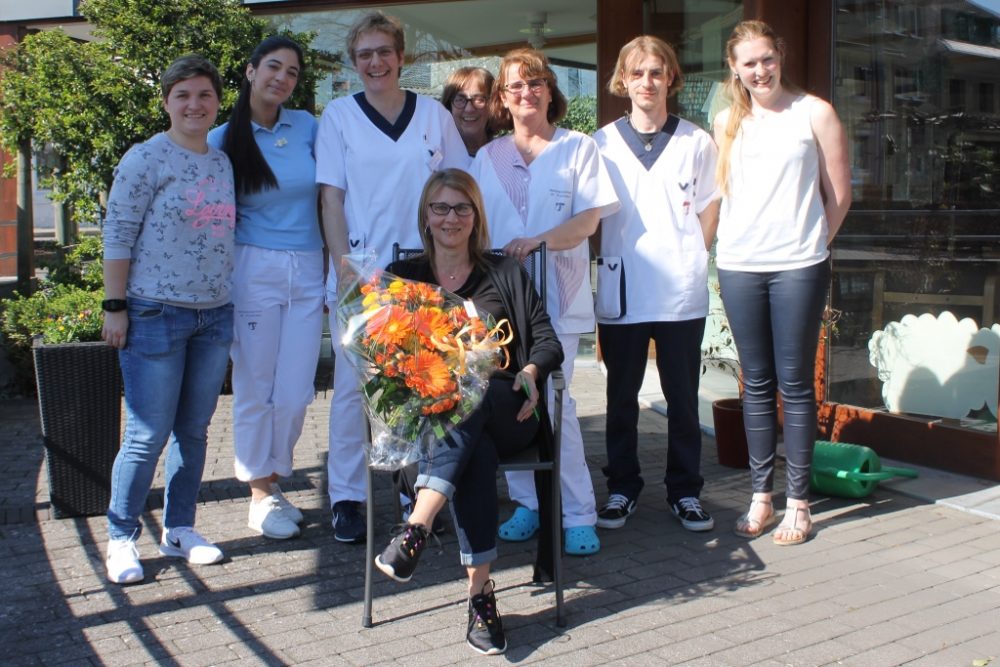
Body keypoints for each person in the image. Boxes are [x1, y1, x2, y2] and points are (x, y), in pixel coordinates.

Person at [375, 168, 563, 656]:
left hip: (506, 410)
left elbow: (546, 340)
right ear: (426, 215)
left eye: (462, 207)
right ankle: (480, 599)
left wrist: (531, 371)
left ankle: (416, 525)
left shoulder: (504, 273)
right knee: (469, 444)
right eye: (441, 207)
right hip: (435, 423)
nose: (451, 217)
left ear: (476, 216)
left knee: (471, 392)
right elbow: (382, 357)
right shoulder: (406, 279)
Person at [315, 10, 468, 543]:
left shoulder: (432, 116)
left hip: (426, 271)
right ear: (354, 62)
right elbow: (331, 197)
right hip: (364, 268)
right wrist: (342, 267)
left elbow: (456, 186)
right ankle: (347, 498)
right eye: (365, 54)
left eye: (384, 52)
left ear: (401, 57)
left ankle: (417, 493)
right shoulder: (338, 116)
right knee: (353, 388)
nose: (375, 62)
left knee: (422, 381)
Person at [469, 48, 619, 556]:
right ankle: (529, 506)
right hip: (498, 308)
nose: (526, 92)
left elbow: (589, 220)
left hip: (560, 296)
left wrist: (540, 240)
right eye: (514, 86)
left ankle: (577, 512)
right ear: (502, 98)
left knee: (555, 404)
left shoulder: (578, 148)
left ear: (550, 91)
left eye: (535, 83)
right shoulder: (486, 158)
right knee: (506, 401)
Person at [713, 20, 851, 545]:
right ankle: (760, 497)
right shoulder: (727, 121)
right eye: (749, 62)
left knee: (794, 384)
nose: (760, 70)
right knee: (755, 384)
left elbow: (839, 194)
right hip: (740, 264)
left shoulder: (814, 112)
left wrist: (810, 243)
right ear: (735, 68)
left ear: (781, 56)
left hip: (798, 265)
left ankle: (798, 503)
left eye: (766, 59)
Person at [101, 54, 236, 584]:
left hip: (214, 315)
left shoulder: (220, 161)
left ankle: (180, 528)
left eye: (204, 95)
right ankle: (119, 537)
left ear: (217, 101)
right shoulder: (145, 158)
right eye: (182, 95)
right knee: (147, 432)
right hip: (154, 313)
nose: (194, 105)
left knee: (194, 431)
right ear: (166, 102)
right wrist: (115, 307)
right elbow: (117, 234)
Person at [593, 36, 721, 533]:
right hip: (622, 287)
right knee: (620, 398)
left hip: (680, 291)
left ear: (671, 77)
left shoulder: (696, 141)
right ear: (622, 81)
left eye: (656, 72)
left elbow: (710, 203)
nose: (647, 82)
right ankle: (622, 488)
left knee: (683, 399)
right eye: (637, 73)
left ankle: (685, 491)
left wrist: (695, 252)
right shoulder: (600, 144)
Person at [208, 36, 322, 540]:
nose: (282, 78)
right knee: (257, 384)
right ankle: (259, 492)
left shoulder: (308, 127)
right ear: (251, 71)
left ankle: (275, 480)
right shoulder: (221, 139)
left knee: (296, 391)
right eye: (273, 67)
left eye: (292, 72)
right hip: (253, 266)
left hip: (309, 263)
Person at [441, 66, 495, 157]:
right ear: (449, 107)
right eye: (460, 99)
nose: (469, 109)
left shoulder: (506, 154)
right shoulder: (438, 155)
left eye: (479, 99)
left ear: (493, 104)